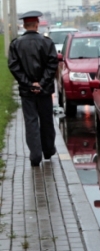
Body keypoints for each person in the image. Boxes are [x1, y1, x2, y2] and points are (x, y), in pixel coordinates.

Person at [8, 10, 58, 167]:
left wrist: (28, 84)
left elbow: (14, 66)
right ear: (37, 24)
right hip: (45, 90)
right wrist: (41, 83)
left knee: (31, 122)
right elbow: (52, 64)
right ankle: (48, 150)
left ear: (24, 25)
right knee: (46, 120)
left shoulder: (16, 44)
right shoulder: (47, 42)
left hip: (26, 92)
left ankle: (35, 156)